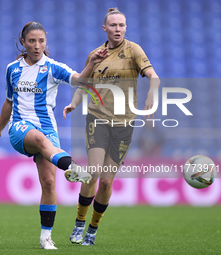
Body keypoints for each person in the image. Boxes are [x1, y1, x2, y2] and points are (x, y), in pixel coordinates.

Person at [0, 21, 108, 250]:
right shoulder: (12, 69)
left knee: (49, 182)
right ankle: (74, 168)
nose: (36, 45)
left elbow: (80, 80)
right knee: (41, 142)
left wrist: (91, 63)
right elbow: (8, 101)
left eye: (41, 41)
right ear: (23, 42)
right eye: (31, 41)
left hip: (48, 129)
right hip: (20, 128)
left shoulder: (53, 67)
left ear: (46, 42)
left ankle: (45, 238)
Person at [63, 8, 160, 245]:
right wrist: (74, 103)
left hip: (125, 123)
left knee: (106, 181)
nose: (118, 29)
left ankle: (92, 229)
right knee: (94, 172)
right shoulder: (95, 55)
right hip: (98, 118)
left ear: (126, 28)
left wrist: (151, 97)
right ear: (104, 28)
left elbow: (153, 77)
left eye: (122, 25)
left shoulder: (134, 50)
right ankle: (79, 223)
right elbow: (85, 83)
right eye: (114, 25)